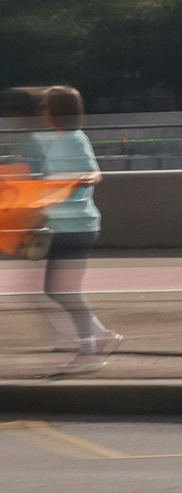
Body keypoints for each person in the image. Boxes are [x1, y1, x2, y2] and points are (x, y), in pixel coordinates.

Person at [27, 87, 118, 366]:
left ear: (55, 111)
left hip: (76, 226)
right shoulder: (57, 140)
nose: (42, 110)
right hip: (67, 224)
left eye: (45, 106)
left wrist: (85, 179)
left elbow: (95, 172)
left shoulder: (75, 139)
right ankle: (100, 337)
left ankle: (89, 351)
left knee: (62, 291)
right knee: (61, 290)